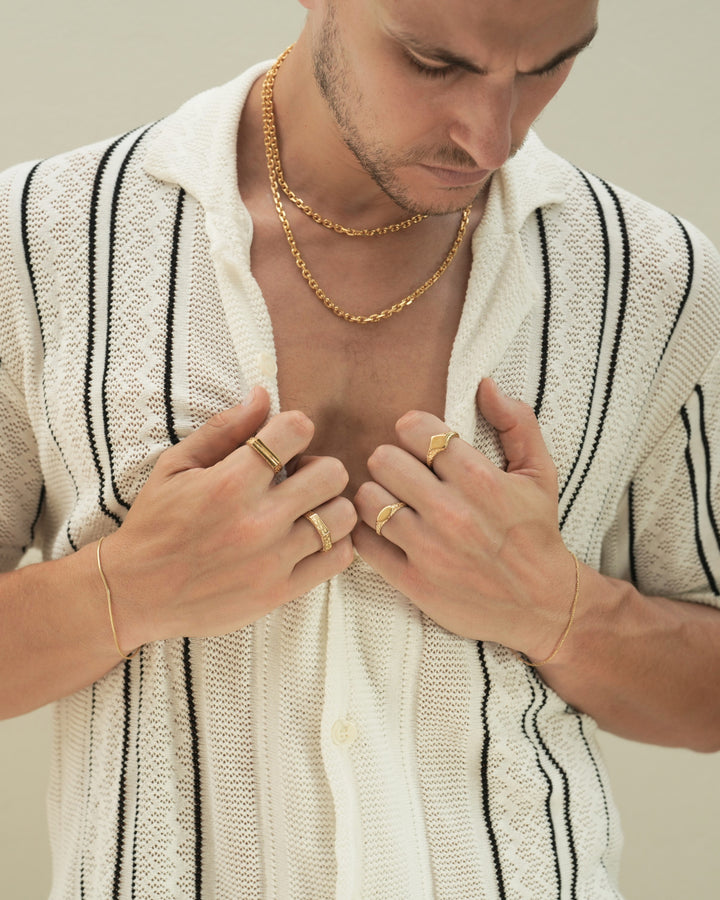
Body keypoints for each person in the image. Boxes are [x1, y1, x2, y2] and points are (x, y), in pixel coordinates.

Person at [1, 0, 719, 896]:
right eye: (435, 64)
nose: (492, 138)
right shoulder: (38, 242)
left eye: (546, 68)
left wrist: (562, 611)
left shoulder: (655, 279)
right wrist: (120, 591)